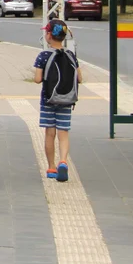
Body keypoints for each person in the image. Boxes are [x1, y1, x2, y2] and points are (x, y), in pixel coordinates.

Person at [33, 19, 82, 182]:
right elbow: (80, 78)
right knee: (63, 133)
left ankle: (52, 167)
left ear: (48, 36)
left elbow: (37, 79)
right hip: (67, 100)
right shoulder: (71, 55)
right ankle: (63, 161)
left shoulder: (43, 56)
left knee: (50, 133)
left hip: (48, 100)